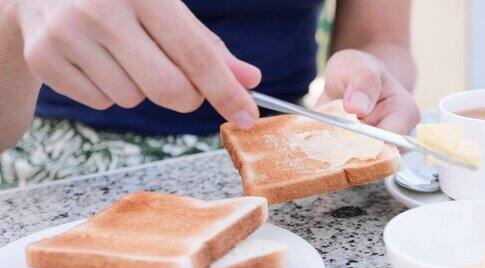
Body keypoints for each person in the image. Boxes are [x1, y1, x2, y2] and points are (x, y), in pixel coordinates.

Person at [0, 0, 419, 188]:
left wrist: (371, 83)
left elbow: (383, 38)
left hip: (284, 159)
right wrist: (14, 18)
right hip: (63, 166)